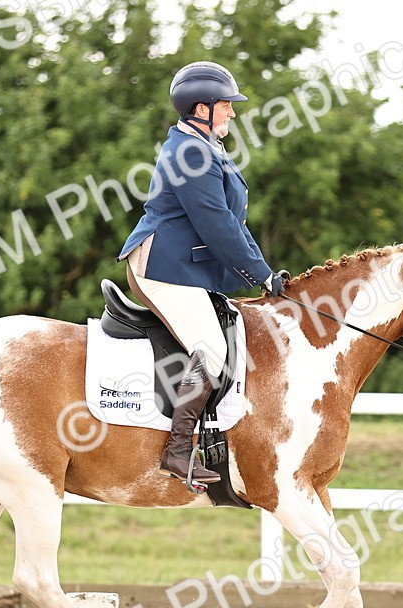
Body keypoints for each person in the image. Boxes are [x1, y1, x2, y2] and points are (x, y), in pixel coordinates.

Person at [119, 60, 287, 485]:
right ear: (201, 108)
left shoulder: (205, 144)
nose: (232, 111)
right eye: (226, 104)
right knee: (211, 349)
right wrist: (261, 276)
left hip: (185, 269)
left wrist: (265, 274)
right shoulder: (191, 152)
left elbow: (236, 224)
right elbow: (216, 225)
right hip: (162, 269)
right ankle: (177, 451)